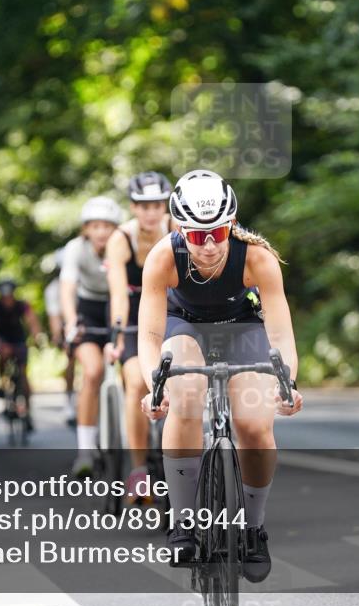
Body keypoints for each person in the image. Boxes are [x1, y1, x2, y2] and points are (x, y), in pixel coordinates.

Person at [138, 169, 303, 582]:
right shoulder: (163, 256)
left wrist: (288, 384)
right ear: (179, 228)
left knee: (253, 424)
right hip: (183, 326)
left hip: (242, 327)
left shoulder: (257, 257)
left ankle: (254, 527)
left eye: (219, 232)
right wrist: (154, 387)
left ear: (232, 224)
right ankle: (184, 524)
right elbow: (150, 334)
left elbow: (280, 333)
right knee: (187, 394)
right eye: (197, 236)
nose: (210, 245)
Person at [105, 172, 172, 502]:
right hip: (133, 314)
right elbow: (117, 292)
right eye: (144, 206)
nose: (151, 212)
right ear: (133, 207)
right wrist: (117, 334)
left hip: (171, 309)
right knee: (135, 381)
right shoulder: (121, 239)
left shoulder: (176, 229)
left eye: (157, 205)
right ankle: (138, 470)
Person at [61, 197, 123, 476]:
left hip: (117, 306)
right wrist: (71, 321)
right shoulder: (75, 249)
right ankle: (85, 452)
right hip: (88, 311)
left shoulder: (121, 246)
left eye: (108, 226)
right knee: (93, 372)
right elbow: (67, 288)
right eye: (96, 226)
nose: (102, 232)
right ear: (86, 229)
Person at [0, 278, 43, 433]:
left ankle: (28, 412)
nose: (7, 299)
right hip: (2, 339)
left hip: (18, 339)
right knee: (2, 358)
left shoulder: (21, 305)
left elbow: (32, 322)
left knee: (23, 375)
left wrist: (37, 337)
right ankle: (2, 384)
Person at [44, 247, 77, 428]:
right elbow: (55, 317)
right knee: (70, 361)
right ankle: (69, 401)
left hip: (88, 320)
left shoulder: (83, 281)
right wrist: (59, 335)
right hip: (68, 327)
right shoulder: (53, 289)